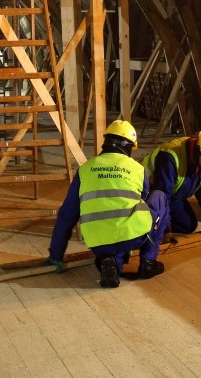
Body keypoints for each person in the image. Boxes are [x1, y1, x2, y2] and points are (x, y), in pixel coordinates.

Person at [46, 119, 169, 288]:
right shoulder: (137, 169)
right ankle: (148, 262)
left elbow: (67, 215)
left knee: (114, 234)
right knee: (159, 197)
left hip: (97, 242)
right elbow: (143, 205)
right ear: (128, 146)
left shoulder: (85, 169)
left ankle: (111, 262)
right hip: (132, 237)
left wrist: (56, 255)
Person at [141, 129, 201, 235]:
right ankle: (145, 222)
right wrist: (166, 229)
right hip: (148, 193)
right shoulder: (169, 157)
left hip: (173, 194)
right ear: (198, 150)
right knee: (151, 230)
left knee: (188, 225)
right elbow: (162, 196)